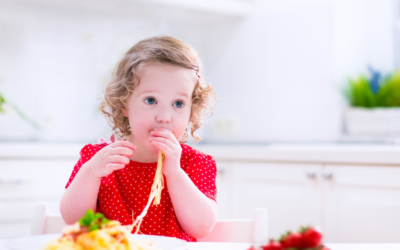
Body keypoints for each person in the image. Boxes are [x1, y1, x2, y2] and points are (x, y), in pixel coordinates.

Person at [60, 36, 218, 242]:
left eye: (178, 104)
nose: (164, 116)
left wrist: (174, 173)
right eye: (151, 100)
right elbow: (75, 221)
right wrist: (90, 173)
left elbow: (202, 228)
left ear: (192, 109)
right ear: (125, 104)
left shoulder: (194, 164)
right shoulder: (98, 159)